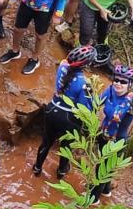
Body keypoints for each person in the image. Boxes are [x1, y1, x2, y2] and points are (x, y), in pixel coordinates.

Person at [32, 45, 96, 180]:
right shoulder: (84, 84)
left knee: (46, 142)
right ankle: (61, 172)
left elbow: (64, 64)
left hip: (52, 110)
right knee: (66, 147)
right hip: (69, 118)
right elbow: (85, 109)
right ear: (86, 65)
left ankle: (37, 168)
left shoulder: (62, 67)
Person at [90, 64, 133, 203]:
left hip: (117, 142)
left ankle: (93, 200)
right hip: (104, 136)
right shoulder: (110, 90)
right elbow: (95, 104)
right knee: (103, 167)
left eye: (123, 82)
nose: (118, 84)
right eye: (116, 80)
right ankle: (105, 191)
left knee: (103, 170)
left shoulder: (132, 101)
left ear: (130, 84)